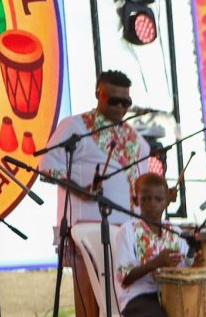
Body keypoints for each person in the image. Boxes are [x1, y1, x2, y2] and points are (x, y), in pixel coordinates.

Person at [40, 70, 150, 227]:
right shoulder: (75, 126)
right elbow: (47, 167)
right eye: (113, 101)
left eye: (125, 103)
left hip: (129, 231)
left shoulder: (136, 138)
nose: (120, 107)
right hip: (86, 230)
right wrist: (80, 191)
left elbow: (143, 180)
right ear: (98, 94)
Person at [112, 173, 193, 317]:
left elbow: (186, 266)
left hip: (169, 294)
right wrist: (155, 262)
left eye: (158, 199)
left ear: (168, 201)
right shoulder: (128, 231)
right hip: (137, 297)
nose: (152, 204)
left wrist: (196, 263)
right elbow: (125, 278)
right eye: (146, 199)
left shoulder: (175, 232)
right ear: (135, 200)